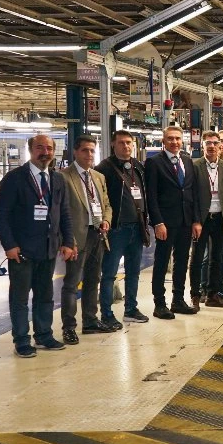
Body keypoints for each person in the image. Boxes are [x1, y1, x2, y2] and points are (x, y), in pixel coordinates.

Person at [0, 134, 74, 357]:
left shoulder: (57, 179)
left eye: (49, 148)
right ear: (30, 150)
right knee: (20, 299)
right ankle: (21, 340)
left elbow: (64, 213)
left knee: (45, 296)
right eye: (40, 148)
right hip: (22, 251)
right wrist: (10, 245)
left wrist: (68, 241)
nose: (45, 152)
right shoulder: (14, 178)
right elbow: (1, 216)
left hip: (48, 249)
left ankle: (44, 335)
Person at [59, 135, 114, 345]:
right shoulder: (64, 177)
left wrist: (106, 220)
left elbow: (106, 204)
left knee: (93, 280)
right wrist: (67, 240)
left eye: (92, 150)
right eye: (85, 150)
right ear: (75, 152)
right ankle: (69, 327)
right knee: (71, 284)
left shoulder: (98, 177)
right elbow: (60, 212)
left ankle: (90, 321)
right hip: (76, 237)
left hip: (97, 234)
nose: (89, 154)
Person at [145, 125, 202, 319]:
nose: (175, 142)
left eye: (178, 138)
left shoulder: (187, 161)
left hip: (186, 221)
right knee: (161, 262)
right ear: (163, 141)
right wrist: (157, 222)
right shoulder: (154, 163)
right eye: (170, 138)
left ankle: (178, 300)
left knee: (182, 261)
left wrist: (196, 220)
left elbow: (192, 192)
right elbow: (151, 196)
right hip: (166, 223)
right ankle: (159, 304)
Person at [96, 130, 150, 329]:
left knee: (133, 271)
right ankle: (107, 314)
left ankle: (131, 309)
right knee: (109, 273)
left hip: (137, 227)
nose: (126, 146)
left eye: (129, 142)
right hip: (116, 229)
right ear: (113, 144)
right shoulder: (104, 169)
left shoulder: (138, 167)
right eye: (121, 143)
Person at [189, 131, 223, 310]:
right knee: (197, 257)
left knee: (217, 257)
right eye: (208, 143)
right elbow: (192, 196)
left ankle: (212, 294)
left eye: (215, 143)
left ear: (219, 146)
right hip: (202, 220)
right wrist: (195, 221)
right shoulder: (195, 166)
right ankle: (195, 295)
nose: (212, 146)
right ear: (202, 145)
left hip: (220, 218)